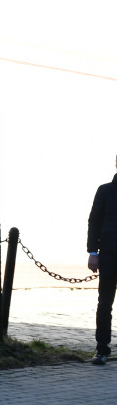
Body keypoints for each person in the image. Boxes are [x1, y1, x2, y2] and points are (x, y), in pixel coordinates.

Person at [89, 154, 117, 365]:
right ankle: (102, 349)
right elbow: (94, 221)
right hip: (108, 254)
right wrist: (93, 252)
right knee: (104, 303)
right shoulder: (105, 190)